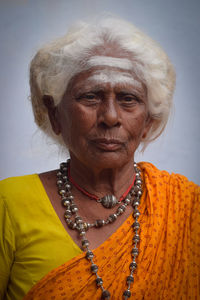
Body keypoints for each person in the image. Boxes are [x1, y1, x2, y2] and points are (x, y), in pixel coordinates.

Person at [0, 17, 199, 300]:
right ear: (55, 113)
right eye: (91, 96)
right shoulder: (8, 203)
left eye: (128, 98)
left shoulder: (187, 210)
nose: (110, 117)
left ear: (148, 122)